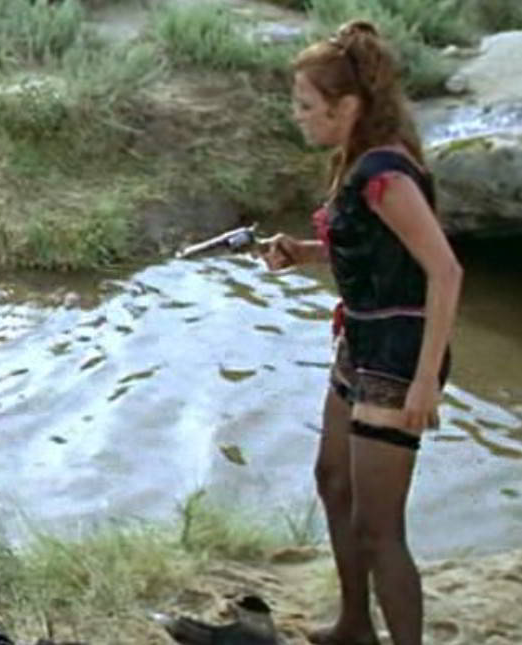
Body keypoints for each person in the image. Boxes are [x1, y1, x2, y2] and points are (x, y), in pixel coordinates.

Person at [259, 21, 463, 645]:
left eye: (306, 105)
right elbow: (376, 247)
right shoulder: (360, 159)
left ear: (346, 106)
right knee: (333, 479)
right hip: (362, 343)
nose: (297, 116)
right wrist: (305, 251)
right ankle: (354, 625)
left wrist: (424, 382)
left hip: (398, 358)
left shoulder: (387, 176)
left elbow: (445, 272)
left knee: (380, 529)